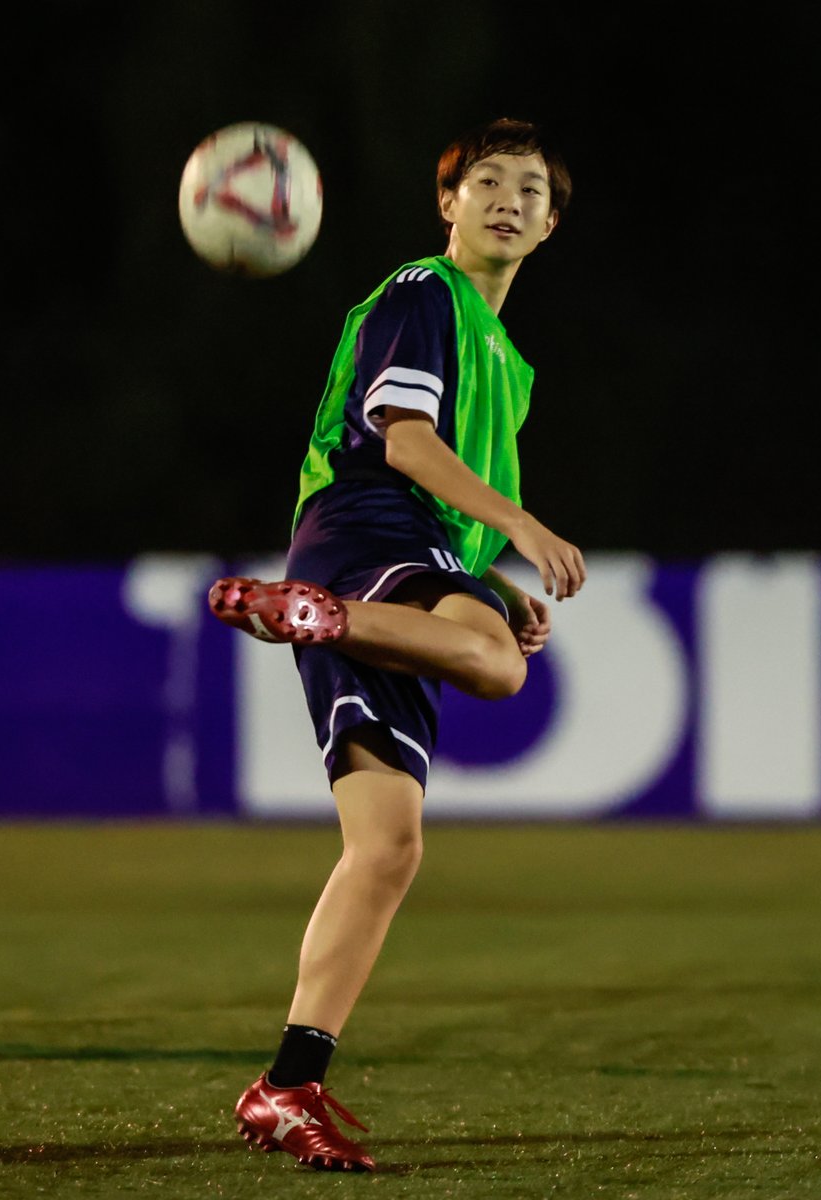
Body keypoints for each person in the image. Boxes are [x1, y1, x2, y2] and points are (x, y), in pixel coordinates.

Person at [208, 116, 586, 1173]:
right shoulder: (426, 295)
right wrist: (520, 531)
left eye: (531, 190)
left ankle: (287, 1086)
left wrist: (498, 585)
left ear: (551, 226)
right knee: (502, 672)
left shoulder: (505, 360)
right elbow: (405, 442)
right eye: (487, 182)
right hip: (363, 536)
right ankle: (312, 610)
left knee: (386, 849)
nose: (508, 199)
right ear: (448, 203)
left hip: (395, 568)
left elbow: (455, 505)